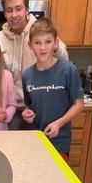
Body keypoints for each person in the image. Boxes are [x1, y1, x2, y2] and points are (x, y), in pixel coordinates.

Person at [0, 0, 69, 130]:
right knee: (13, 150)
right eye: (9, 10)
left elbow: (64, 58)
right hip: (11, 109)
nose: (14, 15)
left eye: (18, 8)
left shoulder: (39, 31)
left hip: (38, 107)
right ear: (4, 13)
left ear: (27, 10)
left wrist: (53, 45)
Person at [21, 17, 84, 161]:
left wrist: (59, 123)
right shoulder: (27, 75)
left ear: (55, 43)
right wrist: (26, 114)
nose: (42, 48)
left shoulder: (68, 70)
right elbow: (28, 105)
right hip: (36, 140)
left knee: (58, 182)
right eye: (37, 42)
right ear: (30, 45)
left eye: (48, 42)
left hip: (60, 141)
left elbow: (79, 104)